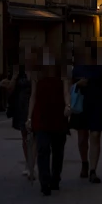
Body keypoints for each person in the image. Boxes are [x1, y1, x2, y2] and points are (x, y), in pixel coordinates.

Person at [71, 40, 102, 184]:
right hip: (81, 104)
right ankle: (84, 162)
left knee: (95, 135)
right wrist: (78, 84)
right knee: (82, 137)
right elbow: (68, 86)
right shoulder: (77, 68)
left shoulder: (101, 68)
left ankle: (93, 170)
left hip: (97, 103)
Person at [29, 46, 70, 196]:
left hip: (58, 114)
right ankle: (44, 181)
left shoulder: (62, 72)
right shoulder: (37, 74)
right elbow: (33, 96)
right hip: (41, 115)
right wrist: (29, 117)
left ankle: (55, 178)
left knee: (58, 150)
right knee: (43, 148)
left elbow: (66, 90)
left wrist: (68, 105)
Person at [0, 53, 34, 180]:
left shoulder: (35, 70)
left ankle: (32, 164)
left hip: (32, 105)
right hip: (20, 106)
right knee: (25, 136)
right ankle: (28, 163)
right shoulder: (18, 71)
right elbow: (10, 89)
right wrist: (15, 77)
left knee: (33, 136)